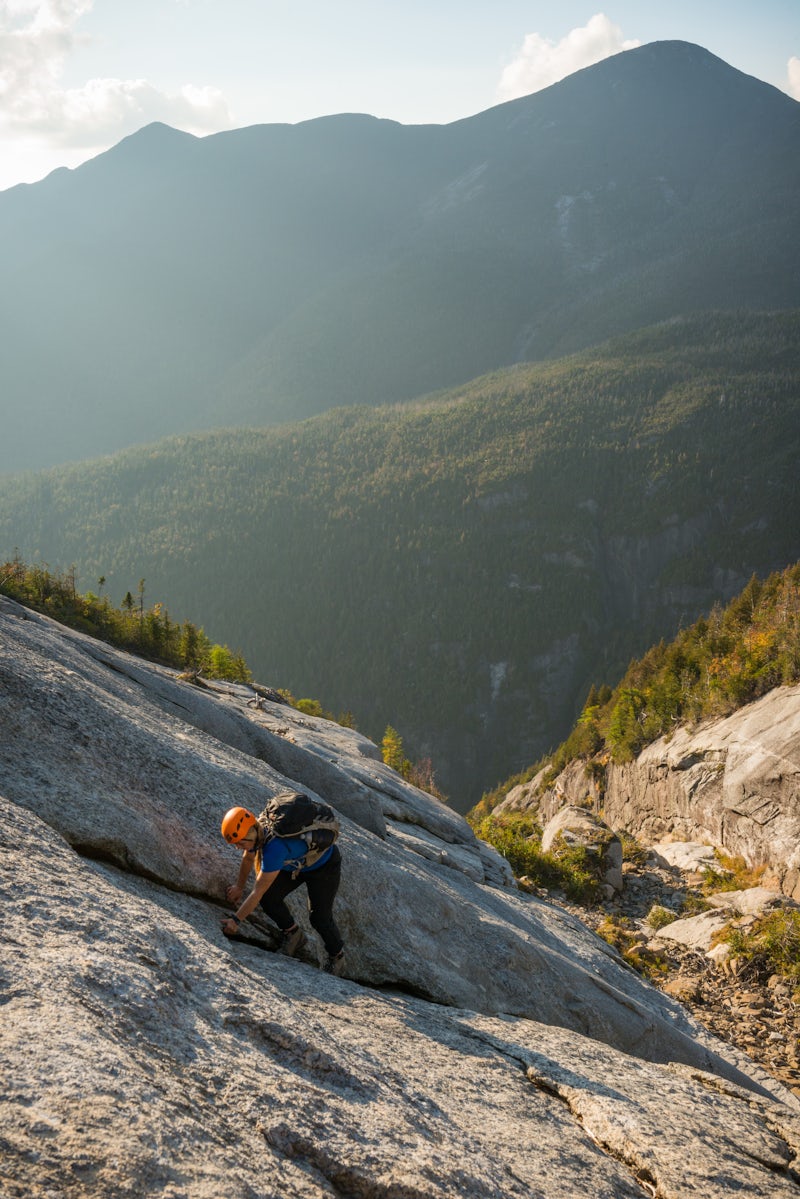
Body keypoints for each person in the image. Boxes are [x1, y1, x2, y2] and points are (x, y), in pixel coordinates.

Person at [219, 805, 346, 976]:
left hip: (323, 866)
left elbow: (257, 891)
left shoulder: (274, 849)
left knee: (319, 918)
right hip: (295, 864)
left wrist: (236, 920)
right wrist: (239, 887)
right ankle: (293, 935)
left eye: (240, 842)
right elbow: (249, 858)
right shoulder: (258, 827)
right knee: (270, 897)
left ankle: (337, 956)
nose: (238, 847)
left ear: (250, 833)